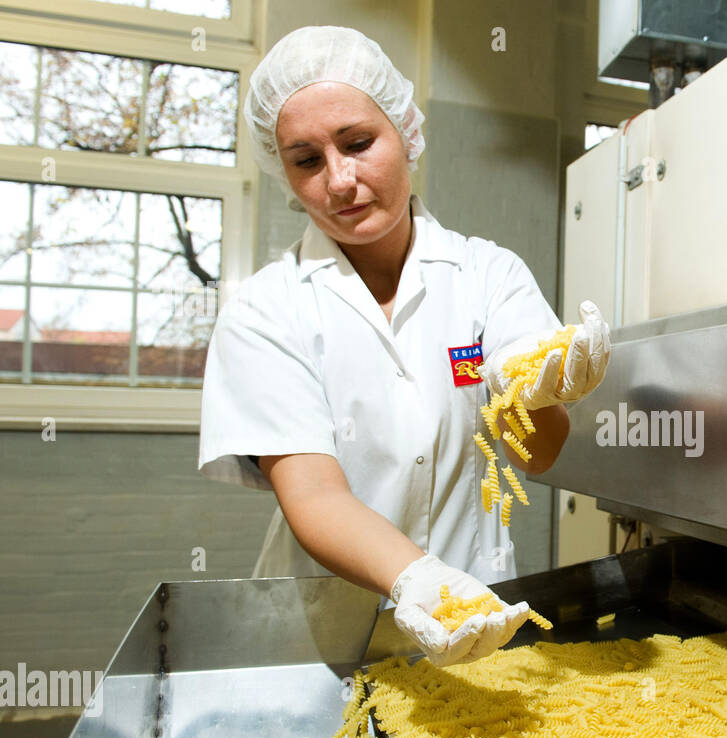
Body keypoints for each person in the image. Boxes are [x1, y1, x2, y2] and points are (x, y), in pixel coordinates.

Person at [197, 26, 610, 666]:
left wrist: (536, 389)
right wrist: (420, 580)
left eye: (359, 143)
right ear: (284, 171)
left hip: (475, 626)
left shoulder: (486, 275)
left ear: (407, 134)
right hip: (332, 635)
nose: (339, 180)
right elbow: (313, 495)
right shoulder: (264, 311)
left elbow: (540, 456)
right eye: (307, 160)